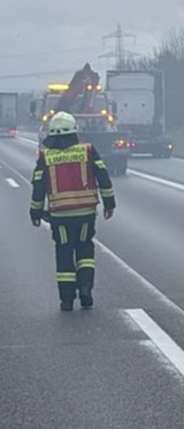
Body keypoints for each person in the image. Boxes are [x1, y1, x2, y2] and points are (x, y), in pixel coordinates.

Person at [29, 112, 116, 311]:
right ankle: (85, 289)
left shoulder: (46, 156)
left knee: (64, 251)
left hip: (60, 216)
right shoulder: (87, 151)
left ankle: (67, 300)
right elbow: (103, 177)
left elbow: (38, 187)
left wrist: (35, 213)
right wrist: (109, 203)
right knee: (85, 248)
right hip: (85, 213)